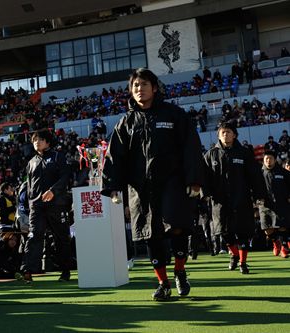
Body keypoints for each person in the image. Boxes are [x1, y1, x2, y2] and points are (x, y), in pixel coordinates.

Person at [101, 68, 205, 301]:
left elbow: (191, 147)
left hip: (173, 182)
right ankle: (163, 282)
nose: (139, 89)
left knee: (176, 226)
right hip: (141, 188)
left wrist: (194, 179)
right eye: (135, 85)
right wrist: (114, 186)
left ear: (155, 88)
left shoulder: (174, 115)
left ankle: (180, 270)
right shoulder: (126, 122)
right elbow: (114, 156)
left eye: (144, 84)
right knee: (150, 234)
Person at [203, 122, 266, 274]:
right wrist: (205, 194)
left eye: (228, 132)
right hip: (220, 200)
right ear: (218, 135)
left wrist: (259, 195)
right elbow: (204, 176)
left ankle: (243, 263)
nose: (225, 134)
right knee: (224, 232)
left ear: (235, 134)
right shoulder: (210, 154)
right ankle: (234, 255)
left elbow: (255, 176)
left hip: (241, 198)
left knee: (243, 232)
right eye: (222, 132)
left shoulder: (244, 153)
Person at [19, 129, 72, 283]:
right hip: (36, 206)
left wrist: (53, 191)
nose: (37, 142)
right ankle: (27, 271)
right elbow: (28, 186)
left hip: (56, 204)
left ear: (48, 141)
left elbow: (65, 177)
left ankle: (65, 271)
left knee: (61, 238)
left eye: (40, 140)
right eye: (35, 140)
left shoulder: (58, 157)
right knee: (34, 236)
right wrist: (30, 203)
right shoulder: (31, 162)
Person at [259, 150, 290, 258]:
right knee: (267, 229)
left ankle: (284, 247)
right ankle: (276, 242)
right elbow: (253, 189)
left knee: (282, 226)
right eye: (266, 158)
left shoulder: (283, 172)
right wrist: (257, 202)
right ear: (263, 160)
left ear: (275, 159)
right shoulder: (259, 174)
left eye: (270, 158)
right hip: (265, 206)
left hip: (281, 204)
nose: (268, 161)